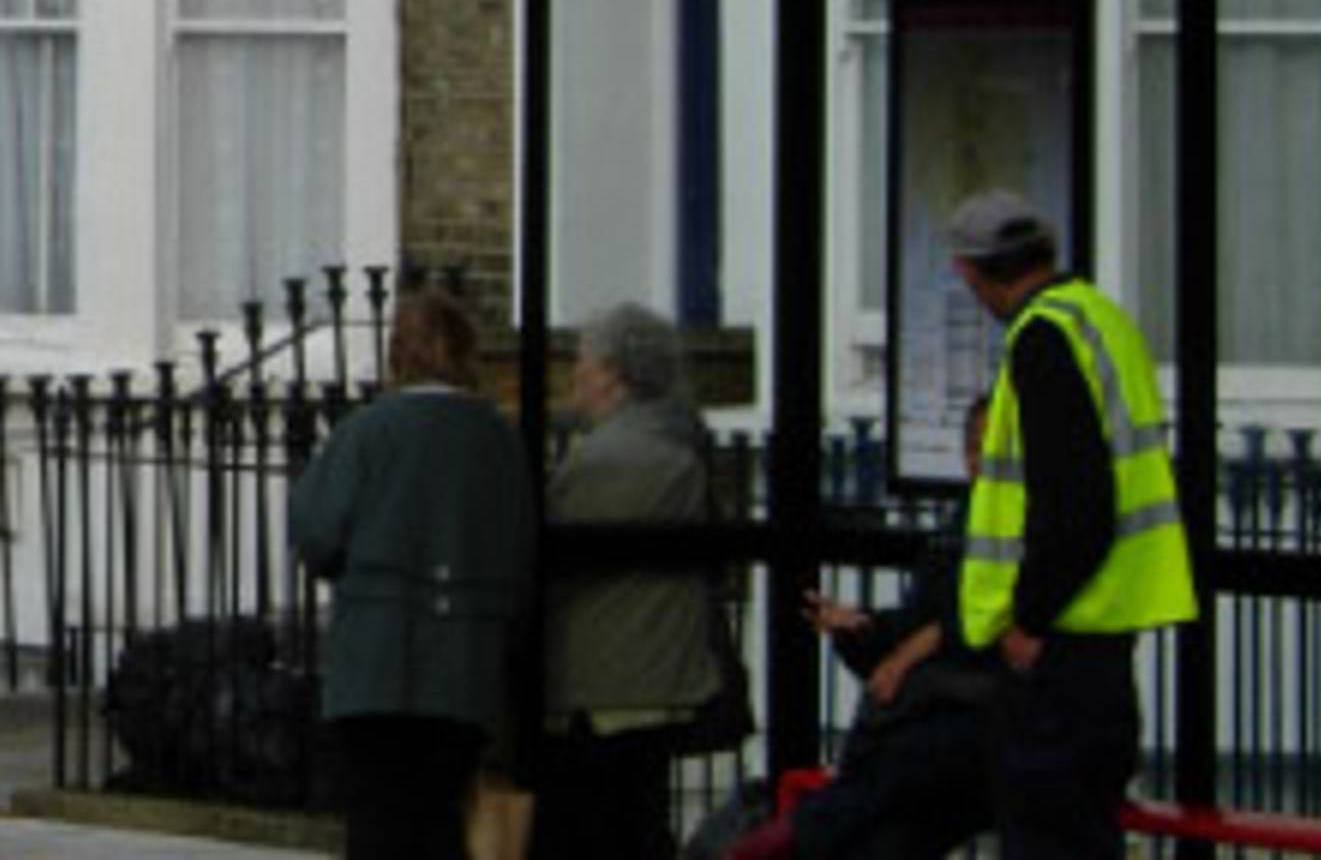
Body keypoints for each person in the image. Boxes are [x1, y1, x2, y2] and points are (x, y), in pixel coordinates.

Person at [944, 187, 1198, 860]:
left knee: (1051, 837)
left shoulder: (1042, 339)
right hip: (1106, 637)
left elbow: (1075, 502)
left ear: (971, 272)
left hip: (1059, 648)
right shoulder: (1101, 319)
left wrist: (1030, 615)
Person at [291, 283, 536, 860]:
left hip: (374, 665)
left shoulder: (366, 432)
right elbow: (520, 552)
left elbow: (317, 534)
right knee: (442, 818)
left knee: (378, 820)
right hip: (465, 664)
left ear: (397, 352)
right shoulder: (500, 442)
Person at [718, 397, 1000, 860]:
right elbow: (915, 624)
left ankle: (779, 841)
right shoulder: (959, 525)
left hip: (979, 725)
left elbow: (980, 623)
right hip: (930, 720)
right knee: (884, 831)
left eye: (999, 451)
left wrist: (907, 653)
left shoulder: (1032, 528)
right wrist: (861, 630)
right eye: (974, 449)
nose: (983, 464)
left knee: (892, 779)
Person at [534, 301, 734, 860]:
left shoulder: (614, 458)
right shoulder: (680, 444)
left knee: (594, 828)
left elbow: (549, 549)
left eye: (584, 360)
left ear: (615, 374)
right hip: (656, 679)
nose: (575, 372)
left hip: (603, 686)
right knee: (638, 818)